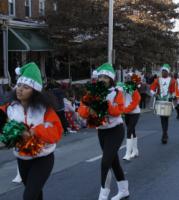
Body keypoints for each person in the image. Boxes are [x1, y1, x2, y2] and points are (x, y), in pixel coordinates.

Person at [0, 62, 63, 200]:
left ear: (34, 91)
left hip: (43, 158)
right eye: (19, 85)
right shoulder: (10, 107)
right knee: (35, 194)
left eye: (26, 87)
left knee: (29, 196)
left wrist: (34, 131)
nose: (20, 89)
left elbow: (57, 132)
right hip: (22, 158)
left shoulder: (44, 109)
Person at [78, 63, 129, 200]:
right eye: (100, 77)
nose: (102, 79)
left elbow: (119, 110)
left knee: (105, 162)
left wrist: (104, 103)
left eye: (105, 77)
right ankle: (124, 190)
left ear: (110, 79)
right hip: (102, 131)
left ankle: (103, 195)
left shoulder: (116, 93)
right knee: (114, 162)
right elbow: (82, 111)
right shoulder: (91, 93)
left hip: (116, 130)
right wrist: (89, 109)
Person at [150, 64, 179, 144]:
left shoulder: (172, 80)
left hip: (168, 101)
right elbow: (152, 89)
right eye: (163, 71)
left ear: (168, 72)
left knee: (165, 118)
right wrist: (154, 94)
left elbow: (174, 91)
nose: (164, 73)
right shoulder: (157, 80)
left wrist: (172, 97)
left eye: (165, 71)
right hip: (160, 101)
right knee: (162, 118)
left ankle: (164, 133)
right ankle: (165, 133)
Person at [123, 73, 141, 161]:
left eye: (128, 78)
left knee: (129, 130)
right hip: (127, 113)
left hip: (135, 113)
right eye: (126, 78)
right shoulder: (123, 88)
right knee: (132, 130)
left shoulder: (134, 90)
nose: (126, 79)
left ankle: (128, 153)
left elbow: (135, 102)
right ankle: (135, 150)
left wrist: (125, 110)